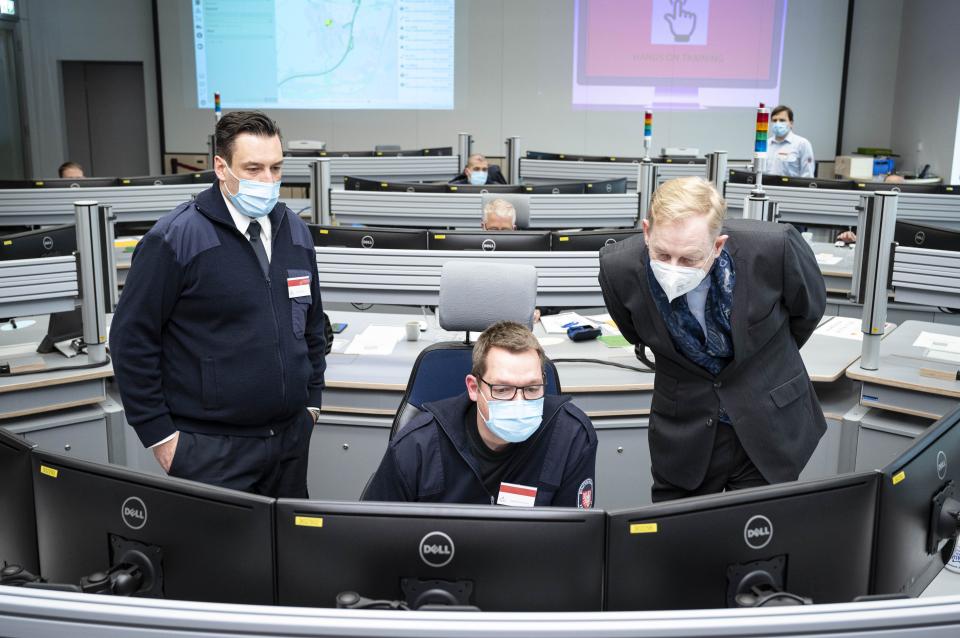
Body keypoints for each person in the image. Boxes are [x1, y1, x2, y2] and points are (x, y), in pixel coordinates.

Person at [110, 111, 327, 498]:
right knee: (220, 559)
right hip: (212, 449)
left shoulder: (293, 230)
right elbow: (131, 341)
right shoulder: (176, 238)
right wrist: (160, 437)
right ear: (220, 167)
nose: (268, 181)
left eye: (276, 168)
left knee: (288, 558)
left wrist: (311, 403)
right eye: (254, 168)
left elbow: (311, 325)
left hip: (290, 442)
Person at [598, 177, 826, 502]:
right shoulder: (617, 269)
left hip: (767, 419)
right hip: (685, 427)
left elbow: (807, 313)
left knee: (755, 540)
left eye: (689, 259)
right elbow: (636, 332)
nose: (673, 268)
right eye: (662, 254)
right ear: (646, 231)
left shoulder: (776, 248)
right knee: (679, 539)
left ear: (718, 245)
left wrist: (759, 363)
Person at [363, 320, 598, 507]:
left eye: (531, 388)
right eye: (503, 390)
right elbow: (374, 536)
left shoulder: (571, 436)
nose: (519, 401)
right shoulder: (417, 445)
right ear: (474, 388)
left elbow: (575, 540)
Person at [837, 175, 905, 243]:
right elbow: (844, 234)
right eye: (888, 186)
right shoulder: (870, 208)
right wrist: (848, 236)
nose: (892, 190)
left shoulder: (907, 216)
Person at [766, 105, 815, 178]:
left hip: (789, 188)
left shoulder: (802, 144)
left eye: (782, 120)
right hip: (766, 187)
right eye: (774, 120)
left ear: (791, 123)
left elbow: (808, 176)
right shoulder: (764, 144)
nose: (777, 123)